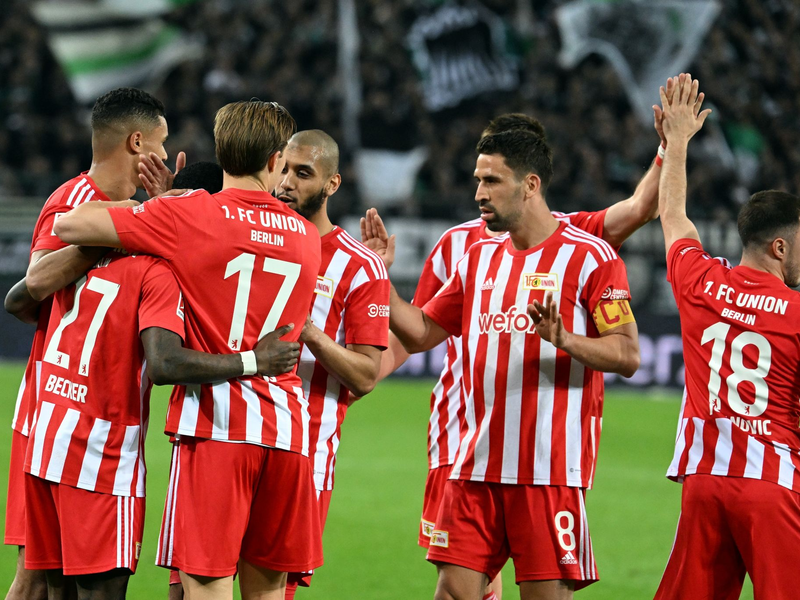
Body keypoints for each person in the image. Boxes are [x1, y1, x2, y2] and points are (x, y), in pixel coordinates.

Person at [363, 102, 672, 599]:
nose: (479, 193)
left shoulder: (590, 255)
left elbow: (629, 354)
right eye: (478, 180)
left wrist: (566, 339)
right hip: (472, 464)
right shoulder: (476, 254)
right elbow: (421, 331)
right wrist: (378, 274)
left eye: (492, 182)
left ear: (530, 184)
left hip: (545, 472)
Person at [54, 100, 323, 600]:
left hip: (216, 431)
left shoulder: (191, 213)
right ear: (275, 161)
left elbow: (69, 226)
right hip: (288, 433)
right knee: (267, 592)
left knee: (205, 589)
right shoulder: (308, 238)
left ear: (222, 153)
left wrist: (162, 202)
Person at [20, 243, 300, 598]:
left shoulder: (87, 251)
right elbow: (164, 364)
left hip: (47, 438)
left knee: (53, 592)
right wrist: (253, 361)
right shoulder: (158, 271)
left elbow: (16, 302)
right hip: (101, 453)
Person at [2, 87, 180, 600]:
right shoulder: (74, 200)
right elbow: (28, 292)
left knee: (44, 582)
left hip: (78, 419)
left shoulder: (141, 215)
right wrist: (122, 226)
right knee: (39, 579)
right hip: (54, 415)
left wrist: (145, 215)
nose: (166, 156)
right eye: (163, 143)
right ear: (138, 140)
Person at [654, 75, 800, 600]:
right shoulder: (797, 313)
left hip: (705, 483)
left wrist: (677, 143)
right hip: (773, 486)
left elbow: (673, 215)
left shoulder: (700, 282)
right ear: (780, 247)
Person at [274, 130, 389, 599]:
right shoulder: (241, 238)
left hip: (304, 456)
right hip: (224, 440)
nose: (286, 182)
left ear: (332, 184)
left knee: (275, 591)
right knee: (190, 585)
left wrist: (312, 333)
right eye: (282, 168)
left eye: (303, 174)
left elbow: (365, 375)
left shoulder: (360, 267)